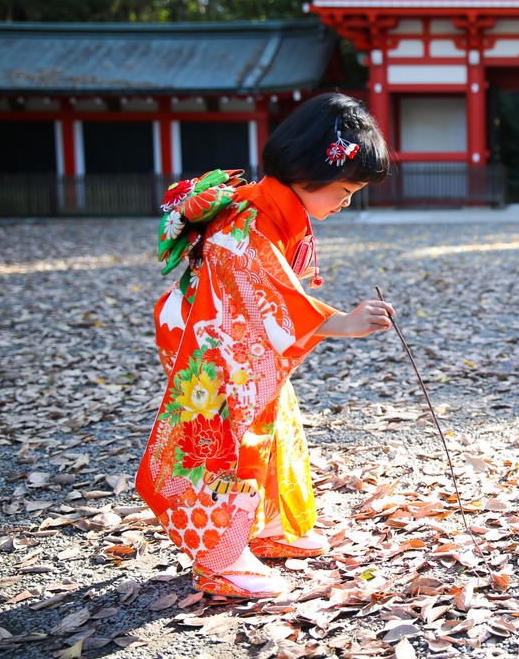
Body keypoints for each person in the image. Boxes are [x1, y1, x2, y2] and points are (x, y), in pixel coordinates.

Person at [135, 93, 395, 599]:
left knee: (275, 418)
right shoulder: (247, 221)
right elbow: (265, 292)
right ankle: (220, 558)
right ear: (308, 171)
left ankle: (269, 525)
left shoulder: (273, 206)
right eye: (344, 188)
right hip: (208, 341)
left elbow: (269, 293)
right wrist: (339, 323)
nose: (346, 201)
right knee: (227, 438)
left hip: (229, 336)